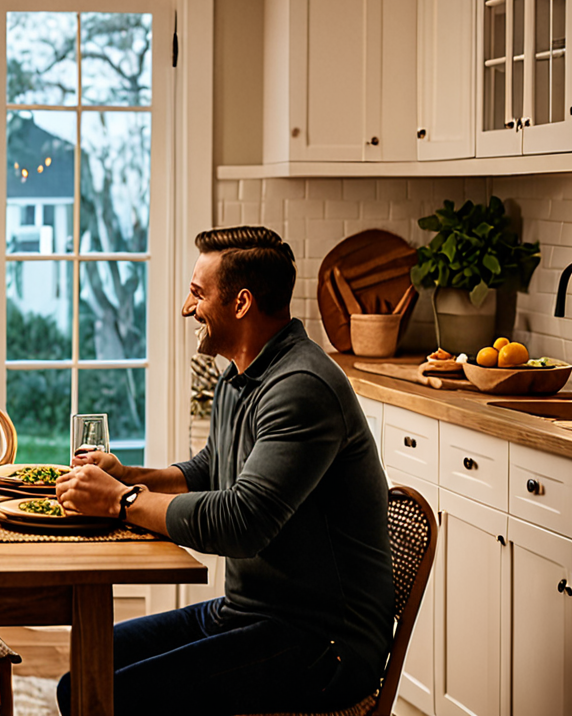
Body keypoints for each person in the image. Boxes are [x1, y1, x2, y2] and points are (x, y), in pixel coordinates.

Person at [52, 226, 393, 715]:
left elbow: (242, 522)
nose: (187, 308)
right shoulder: (240, 375)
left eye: (197, 293)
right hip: (250, 615)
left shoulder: (301, 387)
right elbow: (212, 468)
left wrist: (118, 502)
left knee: (113, 697)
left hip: (322, 644)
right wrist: (128, 477)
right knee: (80, 682)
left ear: (241, 303)